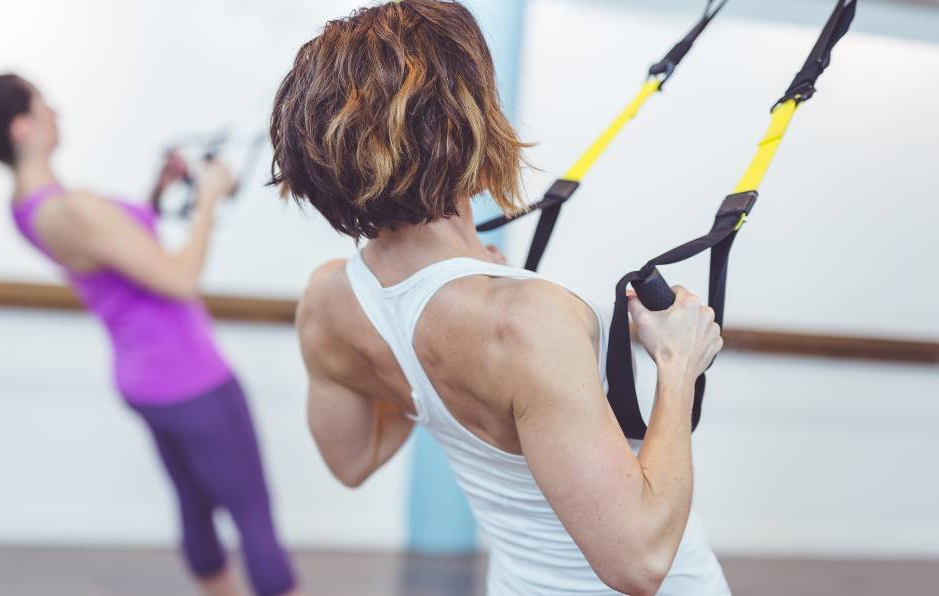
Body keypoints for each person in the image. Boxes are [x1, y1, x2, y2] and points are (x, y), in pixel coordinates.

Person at [270, 1, 731, 594]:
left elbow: (350, 461)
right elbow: (638, 562)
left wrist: (421, 358)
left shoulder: (328, 299)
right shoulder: (527, 320)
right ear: (466, 125)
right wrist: (677, 365)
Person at [0, 74, 299, 596]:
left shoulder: (30, 208)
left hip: (146, 381)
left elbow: (114, 252)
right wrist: (211, 197)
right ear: (23, 127)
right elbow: (178, 279)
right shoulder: (70, 208)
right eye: (46, 104)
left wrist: (157, 192)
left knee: (195, 509)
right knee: (254, 518)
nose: (58, 112)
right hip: (192, 378)